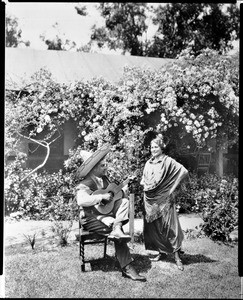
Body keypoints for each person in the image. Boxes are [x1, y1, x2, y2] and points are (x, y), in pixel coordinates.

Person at [75, 143, 146, 282]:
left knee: (124, 202)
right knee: (114, 231)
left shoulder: (105, 179)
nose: (105, 167)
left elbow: (115, 196)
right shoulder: (87, 182)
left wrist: (124, 188)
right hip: (90, 218)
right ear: (94, 168)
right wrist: (100, 197)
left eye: (105, 165)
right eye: (102, 166)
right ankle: (127, 267)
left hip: (106, 215)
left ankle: (117, 227)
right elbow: (81, 200)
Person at [140, 134, 189, 271]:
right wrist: (144, 184)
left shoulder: (168, 161)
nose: (153, 149)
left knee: (169, 226)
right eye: (151, 147)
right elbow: (144, 179)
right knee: (156, 226)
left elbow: (183, 172)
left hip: (165, 199)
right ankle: (161, 251)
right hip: (150, 199)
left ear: (162, 148)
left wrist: (171, 189)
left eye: (156, 147)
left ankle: (177, 257)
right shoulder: (148, 163)